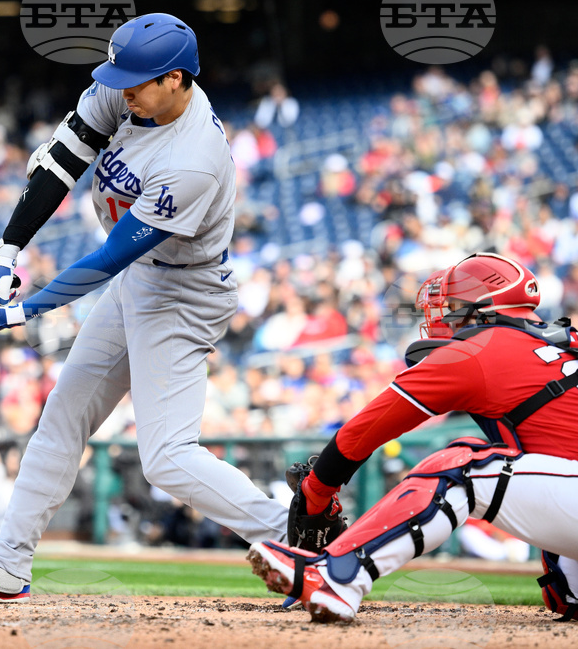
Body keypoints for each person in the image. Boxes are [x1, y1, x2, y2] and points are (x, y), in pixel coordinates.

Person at [0, 13, 288, 602]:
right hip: (143, 280)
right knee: (63, 414)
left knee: (167, 459)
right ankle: (7, 563)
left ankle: (294, 532)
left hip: (184, 293)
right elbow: (62, 161)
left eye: (138, 83)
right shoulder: (130, 89)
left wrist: (23, 311)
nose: (123, 91)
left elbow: (110, 258)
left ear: (176, 79)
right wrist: (8, 249)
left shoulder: (193, 158)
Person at [248, 252, 578, 623]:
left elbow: (361, 432)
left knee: (461, 467)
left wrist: (316, 492)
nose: (441, 317)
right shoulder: (565, 340)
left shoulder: (479, 349)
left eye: (451, 306)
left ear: (481, 307)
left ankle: (336, 577)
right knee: (565, 584)